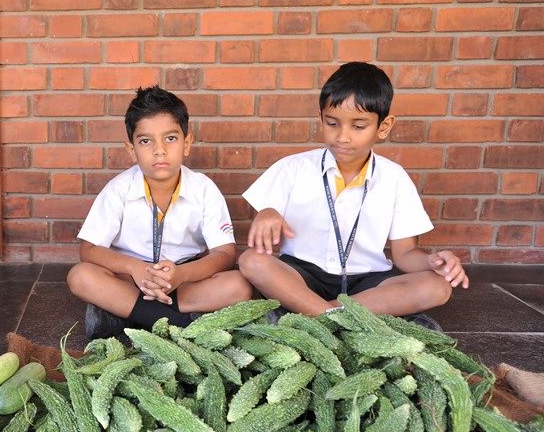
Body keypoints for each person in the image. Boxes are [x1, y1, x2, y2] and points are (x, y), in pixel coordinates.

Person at [239, 61, 469, 322]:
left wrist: (432, 262)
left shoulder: (394, 178)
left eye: (358, 126)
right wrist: (267, 213)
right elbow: (264, 226)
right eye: (332, 123)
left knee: (437, 287)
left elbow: (405, 254)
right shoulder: (293, 168)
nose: (342, 137)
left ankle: (317, 314)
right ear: (321, 118)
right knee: (252, 261)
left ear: (383, 127)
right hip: (302, 276)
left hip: (367, 284)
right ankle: (339, 317)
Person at [67, 86, 253, 339]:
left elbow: (225, 254)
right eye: (146, 141)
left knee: (239, 286)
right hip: (132, 278)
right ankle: (182, 325)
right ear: (131, 149)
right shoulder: (119, 189)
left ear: (187, 143)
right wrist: (135, 268)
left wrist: (182, 274)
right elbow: (88, 250)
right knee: (80, 276)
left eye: (170, 138)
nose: (159, 150)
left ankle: (129, 316)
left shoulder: (204, 189)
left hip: (185, 280)